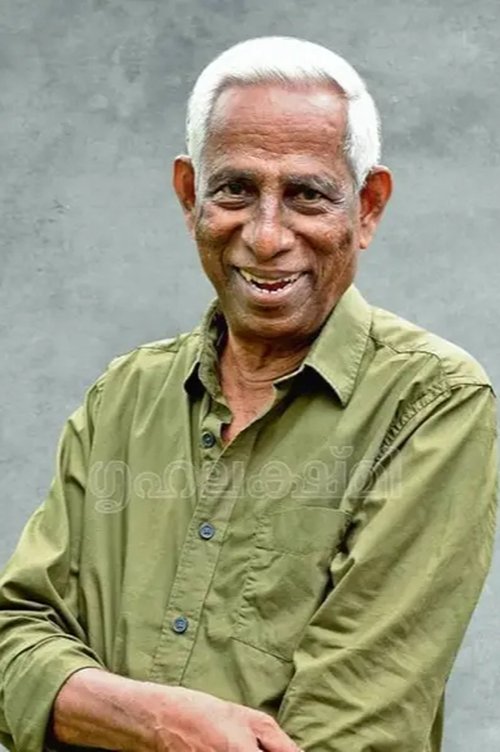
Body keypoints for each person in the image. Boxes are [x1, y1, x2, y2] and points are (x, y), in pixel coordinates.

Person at [0, 35, 497, 752]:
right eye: (234, 189)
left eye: (307, 195)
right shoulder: (125, 396)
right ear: (189, 196)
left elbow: (352, 729)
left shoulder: (432, 405)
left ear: (367, 207)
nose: (265, 237)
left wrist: (84, 704)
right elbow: (14, 639)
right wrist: (159, 722)